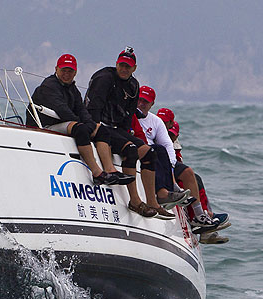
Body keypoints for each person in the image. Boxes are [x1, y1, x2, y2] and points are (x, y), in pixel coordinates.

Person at [84, 47, 179, 218]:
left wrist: (128, 134)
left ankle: (153, 202)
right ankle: (135, 201)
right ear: (116, 64)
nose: (124, 69)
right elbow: (93, 106)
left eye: (128, 66)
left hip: (116, 128)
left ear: (134, 68)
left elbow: (127, 118)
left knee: (149, 152)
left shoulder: (134, 86)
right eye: (121, 65)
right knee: (130, 149)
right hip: (99, 126)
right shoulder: (104, 78)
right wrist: (95, 130)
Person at [26, 53, 134, 186]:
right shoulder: (49, 86)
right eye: (63, 70)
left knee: (101, 130)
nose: (67, 74)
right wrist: (85, 125)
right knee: (81, 129)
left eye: (70, 71)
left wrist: (90, 124)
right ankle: (97, 173)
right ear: (56, 69)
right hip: (45, 126)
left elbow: (81, 109)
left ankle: (110, 170)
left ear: (75, 72)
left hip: (64, 123)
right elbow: (62, 110)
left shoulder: (72, 88)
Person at [134, 87, 218, 231]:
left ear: (152, 104)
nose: (141, 103)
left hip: (163, 158)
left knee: (190, 174)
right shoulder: (131, 115)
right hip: (144, 153)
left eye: (145, 101)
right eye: (140, 99)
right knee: (155, 152)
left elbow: (167, 144)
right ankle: (171, 191)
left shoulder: (156, 121)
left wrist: (171, 164)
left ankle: (200, 215)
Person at [165, 120, 231, 243]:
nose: (169, 137)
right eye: (168, 133)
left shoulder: (174, 147)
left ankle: (206, 217)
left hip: (174, 176)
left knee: (196, 180)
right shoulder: (158, 138)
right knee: (190, 181)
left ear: (176, 136)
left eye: (172, 134)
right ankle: (204, 218)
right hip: (168, 178)